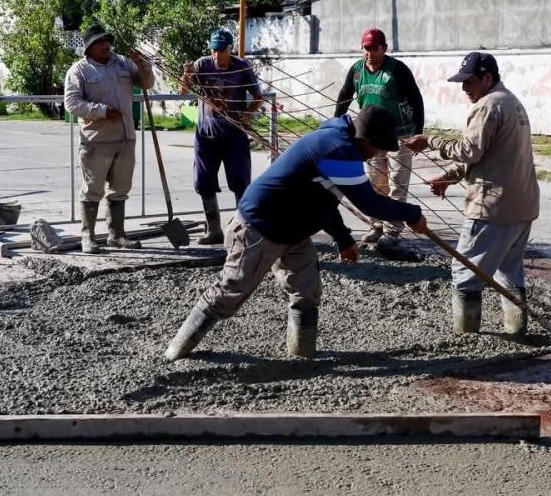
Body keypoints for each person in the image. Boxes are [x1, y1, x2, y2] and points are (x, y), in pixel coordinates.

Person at [164, 106, 426, 361]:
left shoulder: (339, 141)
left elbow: (325, 198)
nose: (377, 153)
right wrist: (412, 213)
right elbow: (370, 204)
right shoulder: (338, 149)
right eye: (379, 146)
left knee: (306, 290)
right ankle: (177, 350)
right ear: (366, 139)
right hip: (260, 227)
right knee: (229, 292)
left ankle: (303, 353)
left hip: (293, 230)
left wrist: (343, 239)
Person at [403, 52, 539, 337]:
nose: (465, 88)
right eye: (462, 82)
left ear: (488, 77)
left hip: (492, 206)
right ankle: (517, 332)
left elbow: (470, 151)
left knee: (465, 274)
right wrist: (449, 177)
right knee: (509, 273)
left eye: (470, 81)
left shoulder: (487, 106)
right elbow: (487, 154)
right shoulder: (512, 102)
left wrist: (430, 141)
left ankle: (466, 339)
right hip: (522, 205)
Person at [64, 24, 155, 254]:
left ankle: (116, 235)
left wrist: (143, 63)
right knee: (92, 189)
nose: (106, 45)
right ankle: (88, 237)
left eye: (107, 41)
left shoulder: (124, 63)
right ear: (89, 47)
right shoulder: (79, 70)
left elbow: (147, 83)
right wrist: (102, 111)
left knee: (120, 188)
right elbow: (72, 103)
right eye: (100, 42)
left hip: (125, 137)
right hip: (96, 140)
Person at [333, 27, 425, 248]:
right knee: (375, 183)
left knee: (397, 183)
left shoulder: (397, 70)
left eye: (375, 48)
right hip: (370, 137)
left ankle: (392, 230)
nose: (370, 53)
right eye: (367, 48)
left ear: (384, 48)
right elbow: (344, 97)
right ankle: (376, 225)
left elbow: (416, 99)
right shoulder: (356, 70)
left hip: (400, 134)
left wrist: (418, 133)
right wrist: (337, 124)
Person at [180, 29, 263, 245]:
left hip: (234, 134)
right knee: (204, 182)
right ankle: (214, 230)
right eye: (213, 50)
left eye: (221, 50)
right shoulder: (202, 65)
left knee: (240, 181)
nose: (216, 55)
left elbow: (257, 97)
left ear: (230, 49)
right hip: (206, 135)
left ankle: (242, 230)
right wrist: (187, 75)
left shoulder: (241, 66)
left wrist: (247, 115)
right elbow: (183, 91)